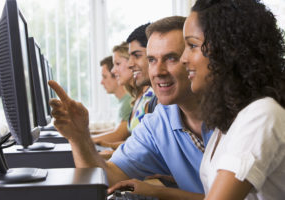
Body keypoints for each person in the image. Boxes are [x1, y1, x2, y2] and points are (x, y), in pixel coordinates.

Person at [111, 0, 285, 199]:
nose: (184, 59)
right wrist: (157, 192)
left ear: (226, 50)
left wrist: (157, 193)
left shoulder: (261, 115)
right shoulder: (227, 122)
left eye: (192, 46)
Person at [48, 16, 212, 194]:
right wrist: (79, 139)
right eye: (151, 60)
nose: (157, 71)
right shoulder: (157, 123)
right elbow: (107, 178)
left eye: (171, 58)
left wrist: (160, 193)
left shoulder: (234, 114)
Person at [90, 56, 133, 135]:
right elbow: (116, 129)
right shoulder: (123, 101)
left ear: (116, 76)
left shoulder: (128, 102)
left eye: (105, 77)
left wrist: (84, 139)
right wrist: (89, 134)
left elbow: (118, 135)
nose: (101, 82)